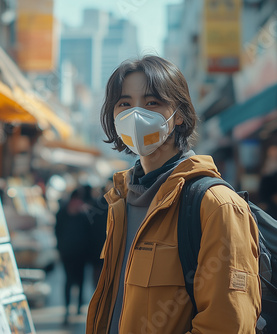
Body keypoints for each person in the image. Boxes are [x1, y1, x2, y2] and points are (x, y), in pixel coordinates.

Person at [86, 56, 261, 333]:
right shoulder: (121, 202)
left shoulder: (217, 206)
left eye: (152, 102)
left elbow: (228, 324)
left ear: (178, 114)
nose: (136, 115)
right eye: (125, 104)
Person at [55, 188, 90, 325]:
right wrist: (60, 248)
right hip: (67, 253)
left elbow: (89, 234)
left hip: (81, 254)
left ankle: (79, 305)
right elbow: (57, 231)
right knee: (68, 281)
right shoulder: (62, 213)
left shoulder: (84, 215)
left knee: (81, 280)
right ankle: (67, 309)